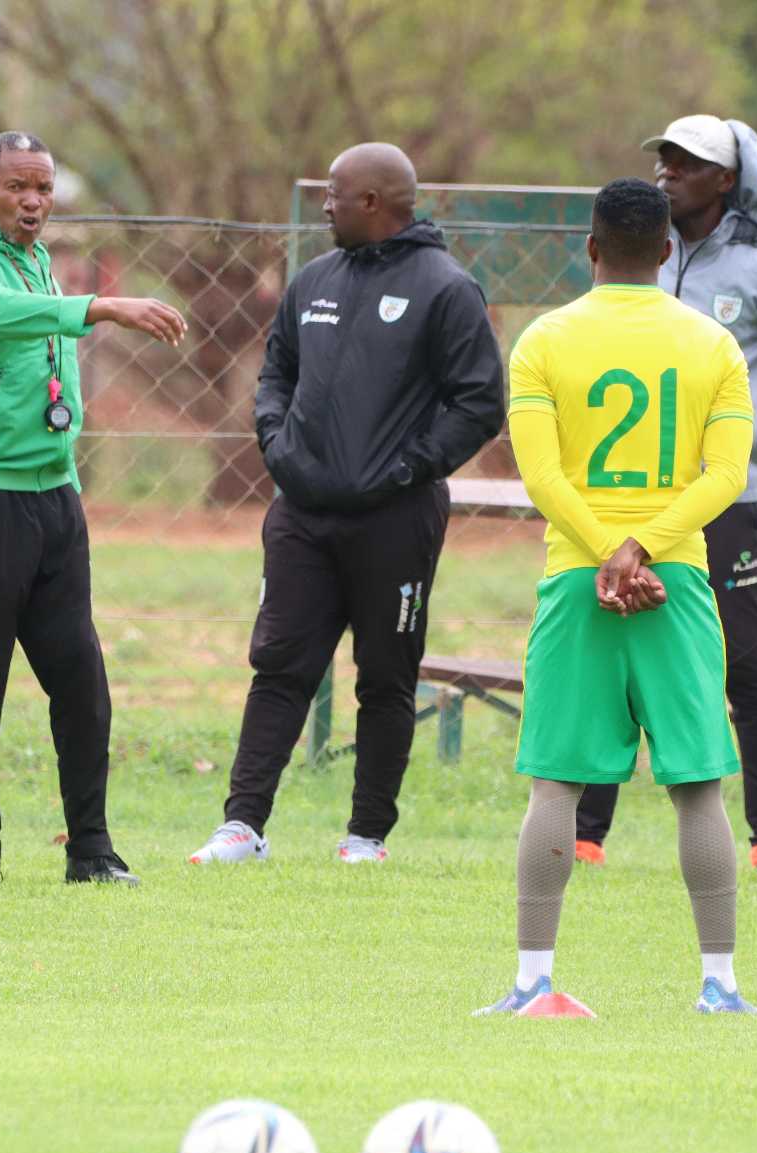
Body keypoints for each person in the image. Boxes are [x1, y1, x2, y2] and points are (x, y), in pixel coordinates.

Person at [474, 178, 757, 1016]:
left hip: (578, 581)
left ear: (590, 248)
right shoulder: (713, 345)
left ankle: (532, 981)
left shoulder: (544, 341)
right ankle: (721, 986)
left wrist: (606, 551)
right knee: (699, 785)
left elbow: (541, 473)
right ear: (668, 251)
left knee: (556, 786)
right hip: (677, 585)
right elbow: (729, 476)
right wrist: (644, 549)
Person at [186, 142, 504, 867]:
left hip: (395, 518)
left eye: (334, 193)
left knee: (386, 676)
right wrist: (276, 441)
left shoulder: (446, 288)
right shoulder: (314, 280)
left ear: (372, 202)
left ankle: (366, 837)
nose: (323, 204)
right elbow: (277, 373)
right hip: (302, 513)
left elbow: (480, 402)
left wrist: (408, 467)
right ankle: (243, 826)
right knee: (279, 666)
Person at [0, 131, 186, 886]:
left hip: (53, 492)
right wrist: (102, 307)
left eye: (42, 188)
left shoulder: (36, 255)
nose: (32, 202)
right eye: (16, 187)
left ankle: (92, 850)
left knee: (79, 675)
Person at [574, 115, 757, 871]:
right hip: (632, 499)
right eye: (664, 159)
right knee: (611, 653)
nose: (668, 172)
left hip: (728, 502)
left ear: (729, 178)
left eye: (689, 164)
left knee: (748, 664)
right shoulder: (634, 255)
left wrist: (755, 462)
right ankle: (586, 832)